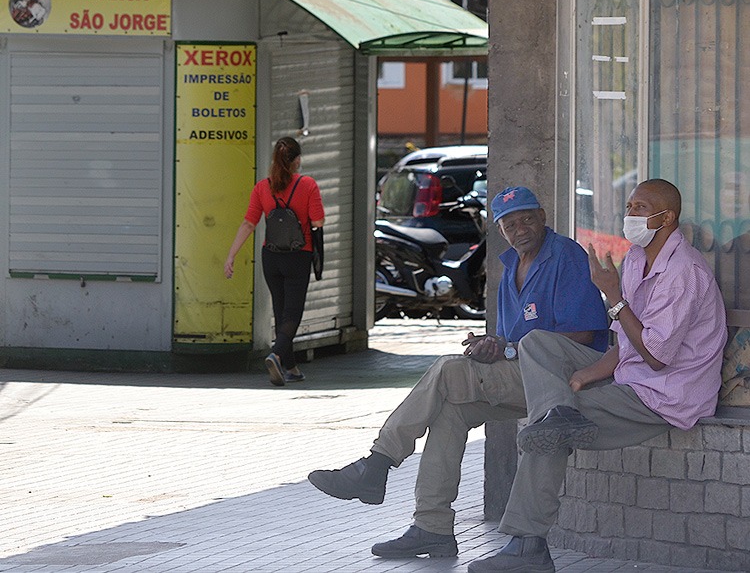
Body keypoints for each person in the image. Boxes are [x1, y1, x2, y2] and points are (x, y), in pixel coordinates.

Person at [307, 186, 610, 558]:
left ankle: (377, 464)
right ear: (498, 229)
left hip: (563, 380)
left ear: (543, 218)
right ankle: (431, 527)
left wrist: (509, 348)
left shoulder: (565, 254)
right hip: (523, 376)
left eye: (528, 219)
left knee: (449, 371)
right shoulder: (511, 265)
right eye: (510, 224)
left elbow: (581, 331)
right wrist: (492, 345)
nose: (520, 229)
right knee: (450, 410)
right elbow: (513, 341)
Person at [468, 179, 727, 573]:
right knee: (537, 341)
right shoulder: (639, 259)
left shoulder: (684, 272)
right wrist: (583, 376)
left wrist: (614, 296)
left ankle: (528, 546)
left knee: (546, 434)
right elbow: (625, 344)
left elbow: (656, 356)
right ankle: (558, 413)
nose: (630, 214)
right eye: (629, 205)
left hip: (665, 395)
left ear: (667, 217)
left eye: (640, 208)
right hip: (631, 378)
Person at [224, 136, 325, 387]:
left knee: (280, 310)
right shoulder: (308, 185)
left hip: (270, 256)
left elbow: (249, 223)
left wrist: (231, 255)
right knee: (292, 312)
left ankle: (290, 367)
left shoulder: (262, 187)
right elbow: (318, 222)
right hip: (298, 255)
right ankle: (277, 355)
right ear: (297, 160)